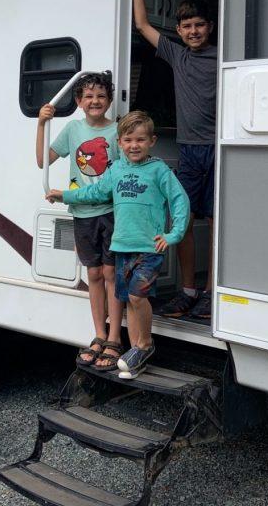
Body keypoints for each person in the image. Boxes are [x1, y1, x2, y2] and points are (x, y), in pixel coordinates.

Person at [46, 111, 189, 379]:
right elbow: (95, 192)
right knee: (129, 301)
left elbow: (179, 200)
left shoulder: (159, 170)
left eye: (141, 140)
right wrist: (65, 195)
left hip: (148, 248)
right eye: (129, 140)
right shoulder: (116, 170)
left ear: (152, 141)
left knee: (137, 296)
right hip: (121, 247)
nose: (134, 145)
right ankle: (135, 356)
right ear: (119, 143)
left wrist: (173, 235)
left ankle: (145, 345)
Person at [130, 0, 217, 319]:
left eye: (199, 25)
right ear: (178, 31)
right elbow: (141, 24)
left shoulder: (224, 57)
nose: (193, 31)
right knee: (181, 222)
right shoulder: (177, 55)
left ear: (209, 27)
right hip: (190, 150)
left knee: (217, 224)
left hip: (221, 149)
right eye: (187, 26)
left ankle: (213, 292)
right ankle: (187, 290)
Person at [36, 71, 124, 370]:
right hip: (83, 215)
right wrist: (41, 124)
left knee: (112, 275)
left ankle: (114, 338)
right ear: (78, 101)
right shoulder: (73, 129)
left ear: (110, 100)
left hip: (111, 212)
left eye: (101, 96)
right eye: (88, 96)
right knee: (95, 275)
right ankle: (99, 334)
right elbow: (43, 160)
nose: (95, 101)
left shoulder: (117, 132)